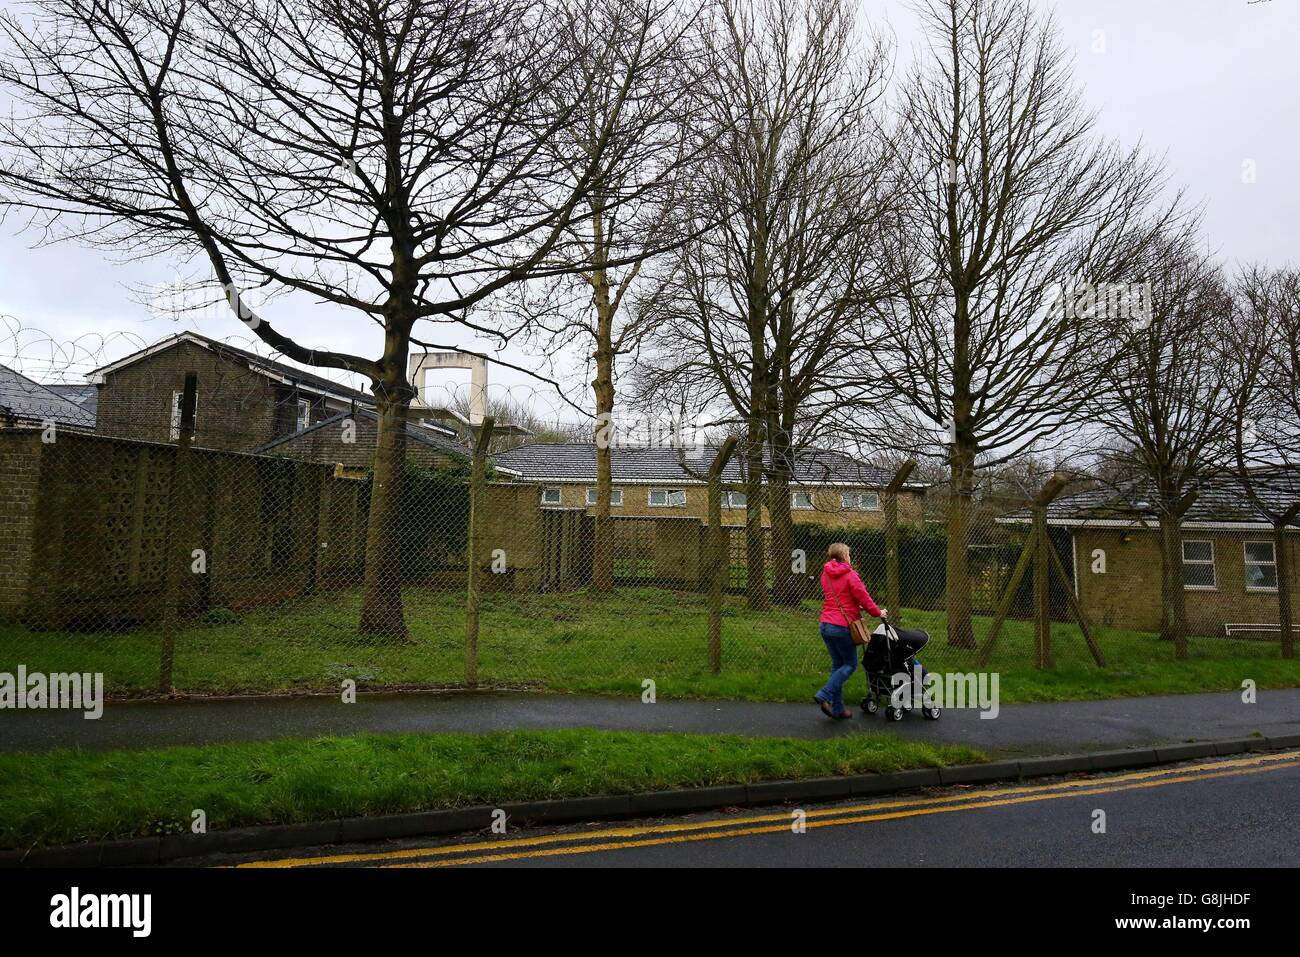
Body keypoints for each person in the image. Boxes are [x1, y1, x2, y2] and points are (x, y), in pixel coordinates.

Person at [816, 542, 886, 719]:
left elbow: (839, 597)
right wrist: (879, 612)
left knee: (838, 666)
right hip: (842, 627)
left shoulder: (826, 574)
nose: (850, 556)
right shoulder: (850, 575)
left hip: (825, 624)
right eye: (848, 554)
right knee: (850, 664)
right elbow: (865, 598)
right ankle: (825, 694)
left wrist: (855, 605)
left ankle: (838, 709)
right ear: (844, 556)